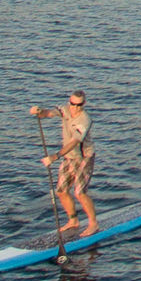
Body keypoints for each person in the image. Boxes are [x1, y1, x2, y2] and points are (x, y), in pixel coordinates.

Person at [30, 91, 96, 234]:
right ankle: (73, 220)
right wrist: (39, 111)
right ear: (69, 102)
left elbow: (74, 142)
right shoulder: (65, 109)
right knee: (61, 191)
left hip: (84, 157)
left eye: (79, 105)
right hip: (69, 157)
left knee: (79, 193)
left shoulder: (85, 120)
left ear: (83, 104)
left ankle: (93, 224)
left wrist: (54, 157)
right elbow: (48, 113)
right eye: (73, 104)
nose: (75, 107)